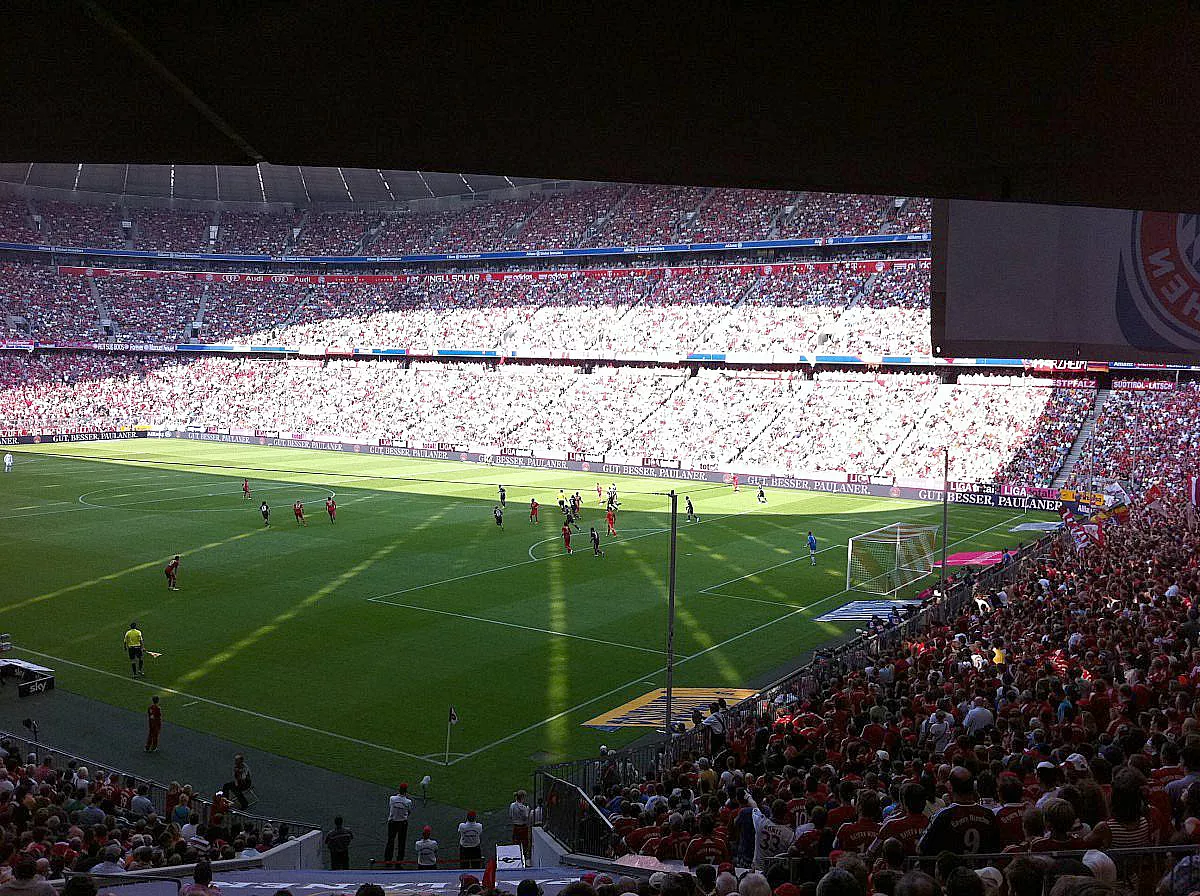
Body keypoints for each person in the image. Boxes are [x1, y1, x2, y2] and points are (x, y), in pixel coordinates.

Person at [384, 782, 413, 865]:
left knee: (390, 841)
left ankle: (388, 859)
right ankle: (399, 860)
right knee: (402, 842)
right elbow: (409, 811)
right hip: (402, 823)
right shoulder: (408, 801)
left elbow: (391, 807)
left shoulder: (392, 798)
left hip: (392, 822)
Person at [510, 790, 532, 858]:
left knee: (515, 843)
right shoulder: (524, 808)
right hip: (523, 827)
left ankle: (516, 856)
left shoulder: (512, 805)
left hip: (515, 827)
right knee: (524, 844)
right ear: (522, 798)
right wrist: (528, 809)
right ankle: (524, 856)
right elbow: (526, 817)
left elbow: (510, 816)